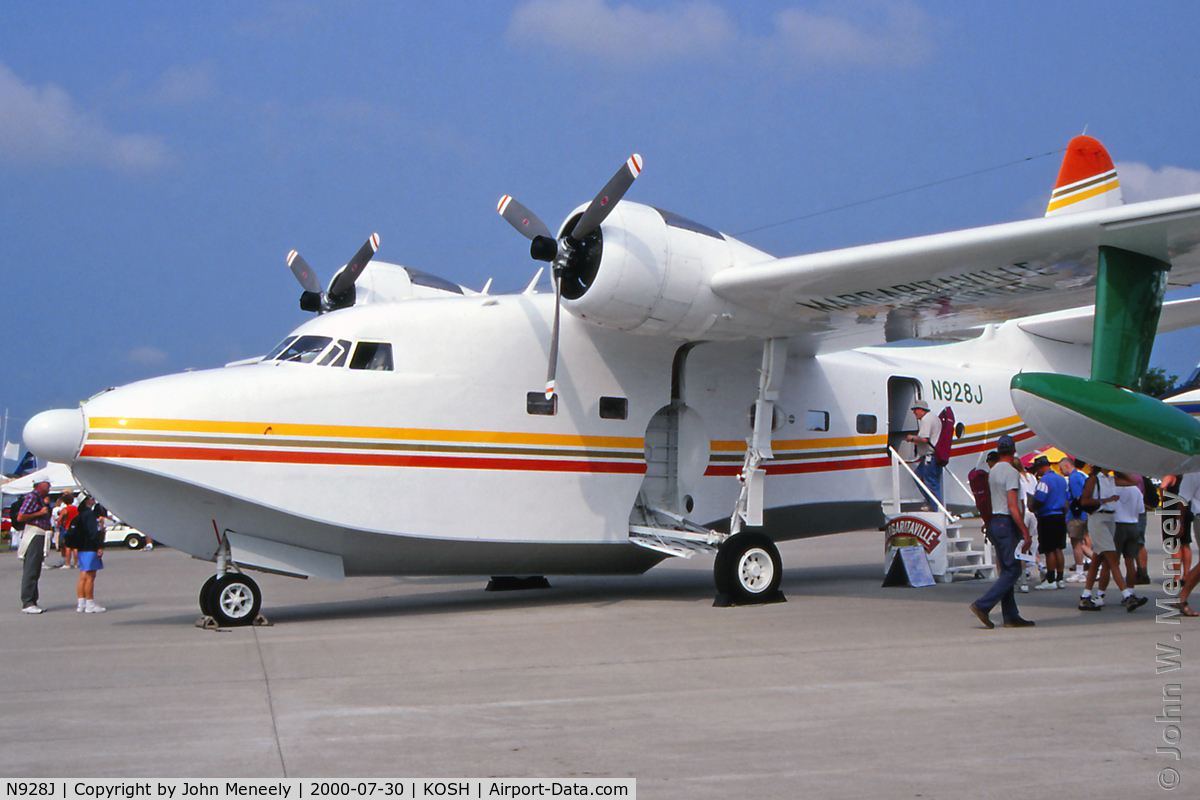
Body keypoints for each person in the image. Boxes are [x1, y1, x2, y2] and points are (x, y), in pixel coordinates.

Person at [969, 435, 1035, 629]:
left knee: (1006, 570)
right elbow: (1013, 505)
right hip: (1006, 523)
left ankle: (1011, 615)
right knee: (1014, 570)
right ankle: (983, 605)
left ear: (998, 451)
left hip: (995, 523)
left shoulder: (993, 470)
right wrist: (1024, 530)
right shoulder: (1011, 472)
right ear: (1014, 451)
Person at [1077, 466, 1148, 612]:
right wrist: (1105, 499)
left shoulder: (1110, 479)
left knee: (1098, 559)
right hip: (1099, 517)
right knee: (1112, 558)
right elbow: (1084, 501)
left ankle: (1086, 596)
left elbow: (1134, 481)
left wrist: (1120, 470)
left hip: (1110, 518)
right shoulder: (1094, 479)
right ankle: (1127, 595)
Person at [1030, 456, 1069, 590]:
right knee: (1058, 548)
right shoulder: (1061, 479)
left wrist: (1032, 507)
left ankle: (1050, 579)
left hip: (1047, 516)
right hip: (1060, 515)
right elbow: (1067, 500)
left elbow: (1040, 498)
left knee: (1049, 549)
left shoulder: (1044, 480)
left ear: (1040, 467)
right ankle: (1060, 578)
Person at [16, 478, 53, 614]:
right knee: (31, 569)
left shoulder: (39, 497)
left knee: (35, 569)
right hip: (34, 534)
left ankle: (32, 601)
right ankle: (28, 602)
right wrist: (40, 513)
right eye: (47, 483)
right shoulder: (32, 497)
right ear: (40, 484)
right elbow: (21, 516)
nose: (50, 486)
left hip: (40, 534)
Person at [906, 399, 943, 510]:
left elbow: (924, 439)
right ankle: (931, 503)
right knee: (919, 476)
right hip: (930, 456)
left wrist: (911, 438)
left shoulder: (926, 420)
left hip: (930, 457)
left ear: (921, 410)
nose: (914, 413)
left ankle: (936, 508)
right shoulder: (934, 417)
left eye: (915, 410)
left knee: (931, 483)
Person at [1061, 458, 1093, 581]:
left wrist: (1071, 511)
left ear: (1067, 465)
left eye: (1062, 468)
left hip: (1076, 515)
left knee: (1076, 543)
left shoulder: (1073, 478)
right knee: (1082, 542)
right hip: (1084, 514)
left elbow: (1077, 497)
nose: (1061, 471)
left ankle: (1080, 571)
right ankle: (1097, 563)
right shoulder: (1081, 475)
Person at [73, 497, 106, 613]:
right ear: (86, 501)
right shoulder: (90, 515)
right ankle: (90, 603)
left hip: (81, 547)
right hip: (90, 547)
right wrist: (98, 546)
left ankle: (81, 603)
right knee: (90, 577)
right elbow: (93, 532)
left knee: (82, 576)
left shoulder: (80, 514)